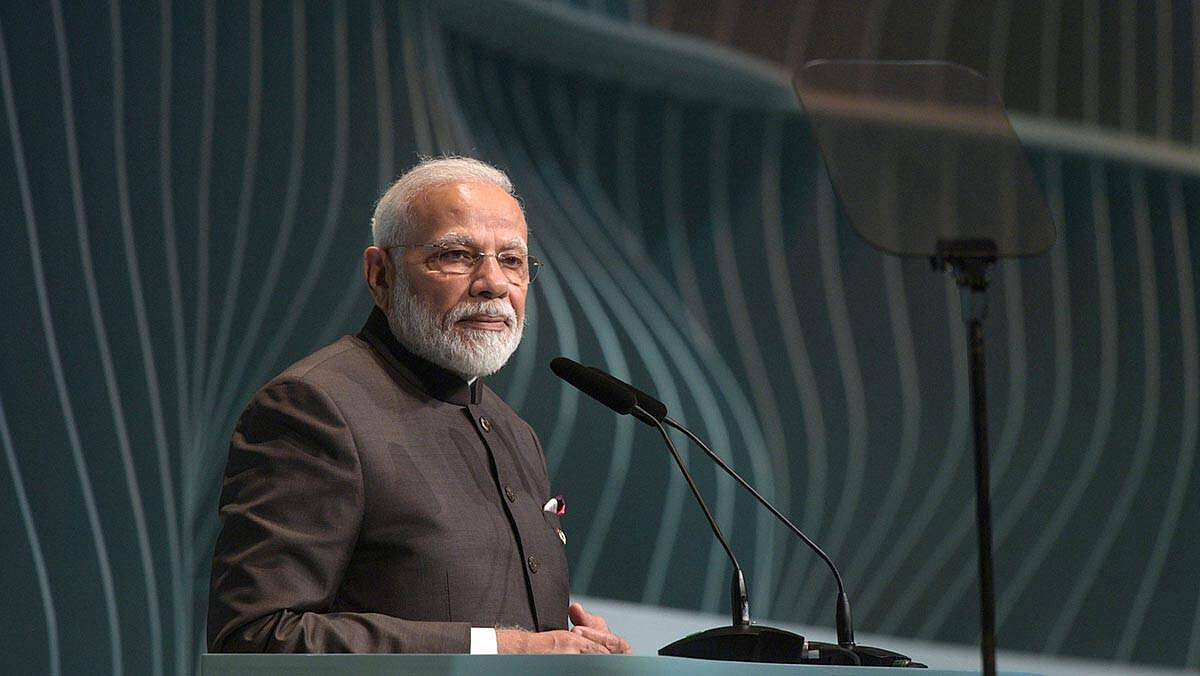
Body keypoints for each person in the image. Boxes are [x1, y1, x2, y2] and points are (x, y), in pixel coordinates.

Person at [207, 157, 630, 655]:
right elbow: (258, 636)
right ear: (380, 274)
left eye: (512, 260)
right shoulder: (314, 408)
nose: (493, 283)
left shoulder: (517, 434)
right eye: (457, 255)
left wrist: (580, 655)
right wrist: (500, 649)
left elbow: (521, 641)